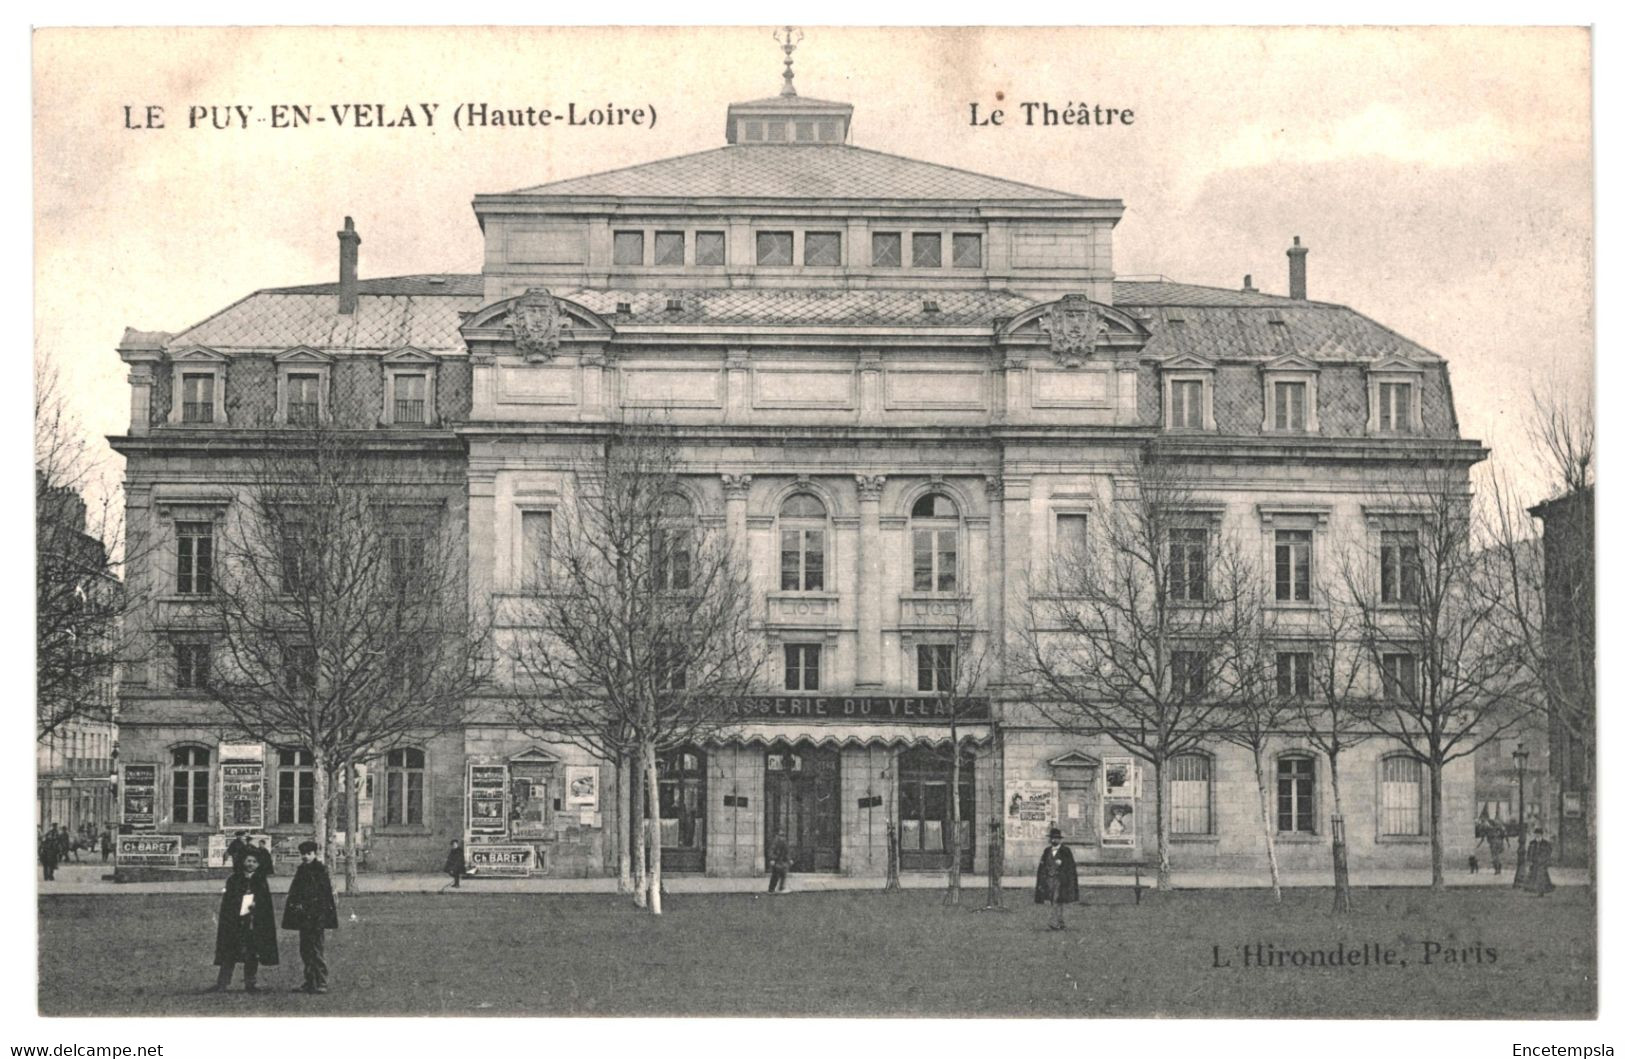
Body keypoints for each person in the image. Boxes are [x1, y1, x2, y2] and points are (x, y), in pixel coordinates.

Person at [210, 850, 279, 992]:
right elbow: (229, 902)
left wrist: (256, 906)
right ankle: (222, 983)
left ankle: (250, 983)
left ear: (258, 864)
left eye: (254, 862)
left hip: (253, 922)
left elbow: (264, 903)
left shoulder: (260, 880)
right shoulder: (234, 879)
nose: (251, 864)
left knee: (251, 952)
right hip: (235, 922)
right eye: (248, 861)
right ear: (243, 862)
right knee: (229, 952)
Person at [283, 840, 338, 994]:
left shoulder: (320, 870)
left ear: (315, 854)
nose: (306, 857)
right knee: (305, 950)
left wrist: (317, 912)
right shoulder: (302, 870)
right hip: (304, 917)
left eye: (309, 854)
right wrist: (296, 905)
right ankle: (309, 981)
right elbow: (296, 892)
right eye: (303, 854)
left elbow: (323, 895)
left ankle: (321, 982)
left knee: (316, 950)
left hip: (316, 917)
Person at [1034, 826, 1079, 930]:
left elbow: (1070, 866)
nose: (1053, 840)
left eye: (1056, 838)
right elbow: (1043, 865)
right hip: (1049, 879)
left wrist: (1062, 864)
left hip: (1060, 880)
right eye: (1052, 838)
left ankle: (1053, 922)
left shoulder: (1065, 851)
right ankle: (1060, 921)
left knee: (1056, 899)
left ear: (1060, 839)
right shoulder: (1047, 851)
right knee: (1053, 900)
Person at [1523, 826, 1555, 895]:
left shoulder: (1545, 843)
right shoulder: (1532, 843)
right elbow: (1529, 852)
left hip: (1542, 862)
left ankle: (1541, 891)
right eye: (1536, 834)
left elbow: (1548, 852)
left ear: (1541, 835)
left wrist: (1546, 860)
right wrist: (1529, 860)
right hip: (1534, 862)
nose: (1537, 835)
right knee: (1533, 877)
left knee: (1542, 877)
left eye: (1539, 834)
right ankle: (1535, 890)